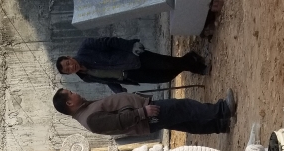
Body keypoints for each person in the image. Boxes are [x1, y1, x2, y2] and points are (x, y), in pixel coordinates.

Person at [52, 88, 236, 137]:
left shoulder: (86, 110)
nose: (75, 93)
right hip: (146, 116)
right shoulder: (90, 119)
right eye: (71, 93)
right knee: (184, 107)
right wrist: (142, 112)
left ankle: (219, 125)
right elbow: (119, 121)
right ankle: (223, 109)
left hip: (146, 117)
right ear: (69, 103)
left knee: (183, 121)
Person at [56, 37, 207, 94]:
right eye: (68, 70)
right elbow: (108, 80)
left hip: (133, 58)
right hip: (131, 75)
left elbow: (110, 42)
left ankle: (196, 67)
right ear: (69, 74)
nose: (71, 67)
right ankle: (190, 58)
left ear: (69, 57)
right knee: (165, 77)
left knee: (167, 63)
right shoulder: (85, 77)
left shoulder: (86, 47)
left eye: (68, 63)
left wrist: (131, 45)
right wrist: (119, 91)